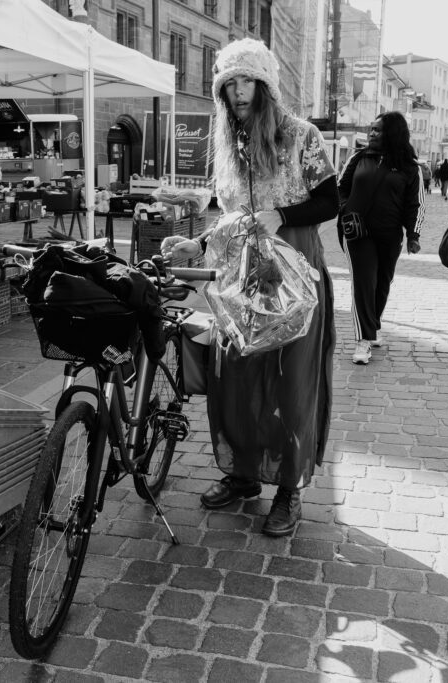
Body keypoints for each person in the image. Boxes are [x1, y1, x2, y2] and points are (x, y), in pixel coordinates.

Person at [160, 38, 339, 537]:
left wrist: (282, 215)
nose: (238, 93)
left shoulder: (301, 135)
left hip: (297, 272)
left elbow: (331, 200)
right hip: (241, 275)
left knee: (292, 382)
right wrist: (199, 244)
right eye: (229, 84)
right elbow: (235, 217)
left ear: (264, 85)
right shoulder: (228, 143)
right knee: (234, 376)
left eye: (246, 82)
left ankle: (288, 488)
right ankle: (242, 474)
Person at [337, 112, 424, 365]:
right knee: (363, 283)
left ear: (393, 133)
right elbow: (341, 188)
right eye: (371, 129)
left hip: (390, 234)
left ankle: (372, 326)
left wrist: (413, 235)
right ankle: (363, 340)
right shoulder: (359, 158)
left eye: (377, 130)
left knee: (382, 283)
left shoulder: (410, 167)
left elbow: (415, 204)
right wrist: (345, 210)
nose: (371, 133)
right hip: (358, 234)